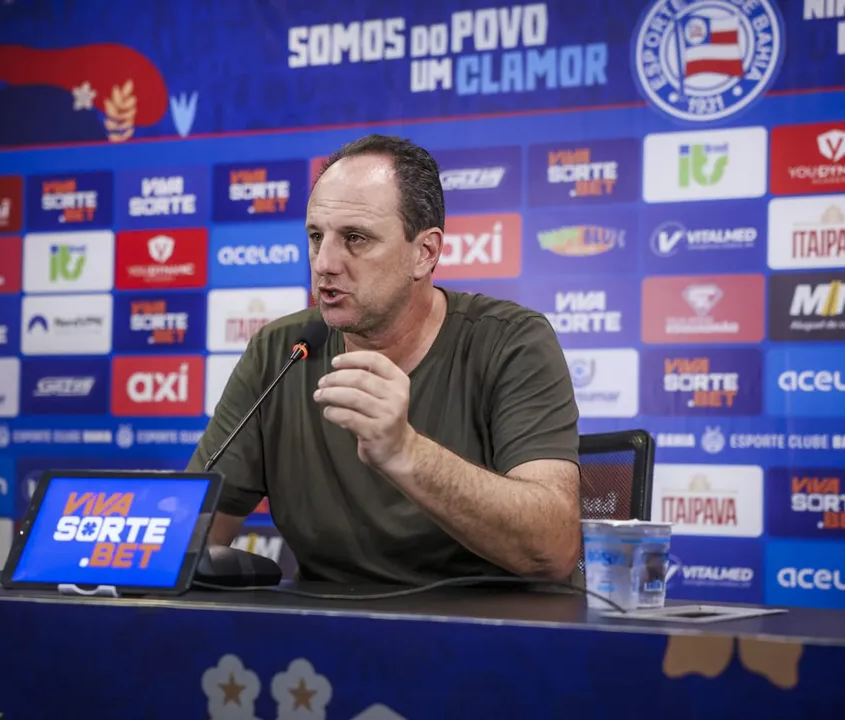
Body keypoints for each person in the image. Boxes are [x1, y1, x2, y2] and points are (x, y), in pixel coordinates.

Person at [187, 134, 582, 585]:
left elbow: (553, 550)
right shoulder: (281, 351)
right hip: (327, 638)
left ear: (425, 252)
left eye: (355, 238)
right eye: (317, 237)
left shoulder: (510, 343)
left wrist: (405, 452)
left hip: (488, 637)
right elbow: (191, 540)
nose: (325, 263)